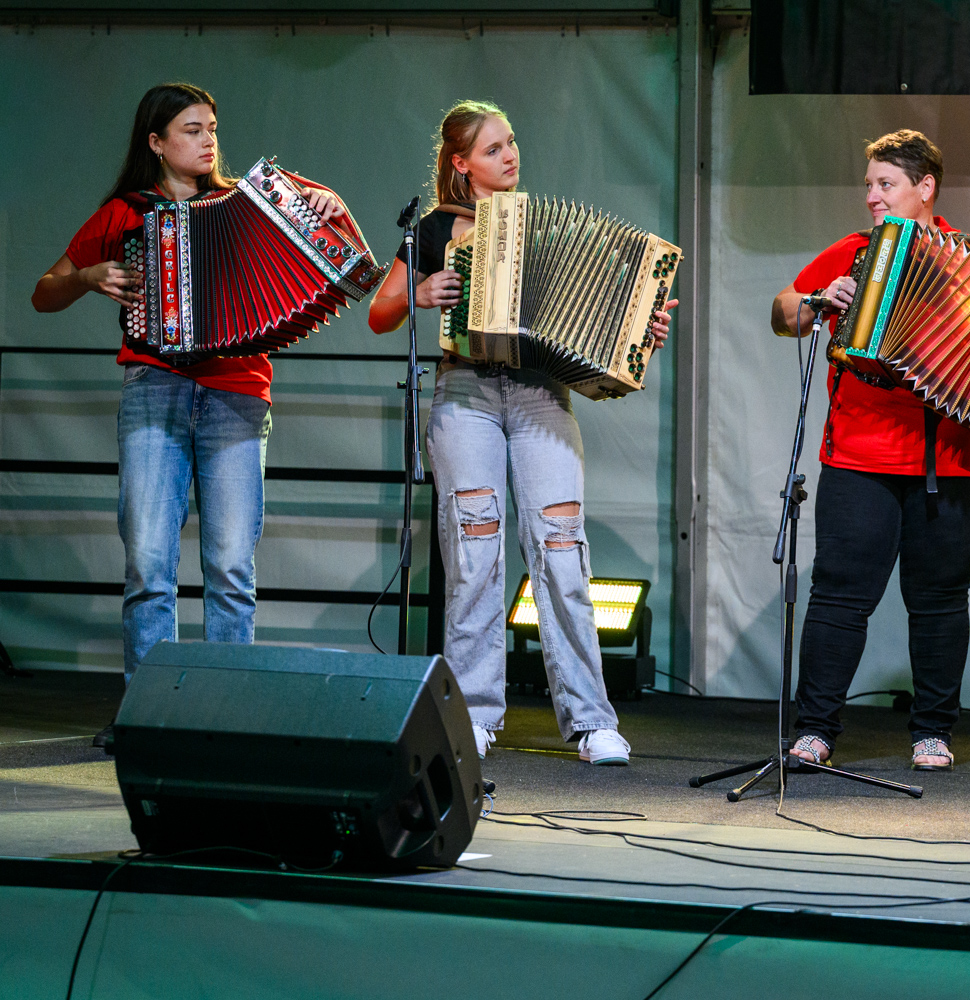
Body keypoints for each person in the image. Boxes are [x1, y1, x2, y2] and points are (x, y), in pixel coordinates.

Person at [32, 83, 343, 747]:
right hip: (157, 385)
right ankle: (149, 714)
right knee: (149, 561)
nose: (207, 141)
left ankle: (228, 713)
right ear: (156, 142)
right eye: (192, 130)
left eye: (212, 128)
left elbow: (337, 232)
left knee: (230, 565)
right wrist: (87, 277)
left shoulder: (253, 200)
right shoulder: (126, 213)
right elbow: (44, 292)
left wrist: (329, 202)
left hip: (237, 391)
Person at [368, 100, 674, 766]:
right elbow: (379, 313)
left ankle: (591, 721)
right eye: (493, 149)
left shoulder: (541, 225)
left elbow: (607, 320)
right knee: (474, 551)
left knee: (562, 549)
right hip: (466, 390)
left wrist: (641, 327)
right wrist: (419, 294)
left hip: (540, 393)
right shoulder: (435, 228)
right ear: (461, 163)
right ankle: (473, 717)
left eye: (511, 143)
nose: (509, 156)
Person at [769, 129, 970, 771]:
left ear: (925, 187)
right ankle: (815, 729)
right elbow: (782, 311)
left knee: (940, 599)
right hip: (859, 453)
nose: (872, 197)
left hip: (953, 458)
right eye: (869, 185)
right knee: (839, 593)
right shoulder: (854, 253)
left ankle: (932, 732)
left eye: (886, 184)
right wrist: (819, 300)